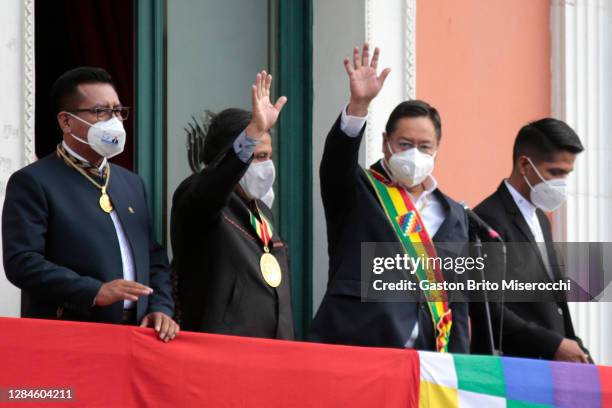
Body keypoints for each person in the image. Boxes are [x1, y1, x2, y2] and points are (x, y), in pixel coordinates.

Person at [309, 44, 469, 352]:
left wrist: (458, 367)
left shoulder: (454, 214)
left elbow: (456, 301)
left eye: (424, 146)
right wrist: (358, 106)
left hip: (426, 361)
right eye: (405, 143)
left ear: (437, 148)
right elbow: (335, 161)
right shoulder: (358, 190)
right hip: (357, 347)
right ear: (386, 143)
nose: (414, 153)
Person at [2, 67, 178, 341]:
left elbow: (154, 259)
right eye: (101, 112)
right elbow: (22, 263)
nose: (115, 120)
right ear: (66, 122)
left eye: (118, 111)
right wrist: (94, 291)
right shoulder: (33, 182)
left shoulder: (132, 183)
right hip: (70, 335)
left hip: (139, 334)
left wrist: (161, 307)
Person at [171, 71, 294, 339]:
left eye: (268, 157)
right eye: (258, 156)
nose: (267, 166)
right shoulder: (197, 197)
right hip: (221, 352)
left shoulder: (261, 211)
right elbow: (212, 190)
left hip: (273, 352)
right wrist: (251, 133)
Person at [471, 118, 591, 362]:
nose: (562, 184)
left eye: (567, 174)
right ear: (524, 165)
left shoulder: (541, 220)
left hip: (551, 369)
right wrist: (553, 344)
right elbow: (488, 308)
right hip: (511, 370)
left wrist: (577, 348)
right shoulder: (486, 219)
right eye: (555, 172)